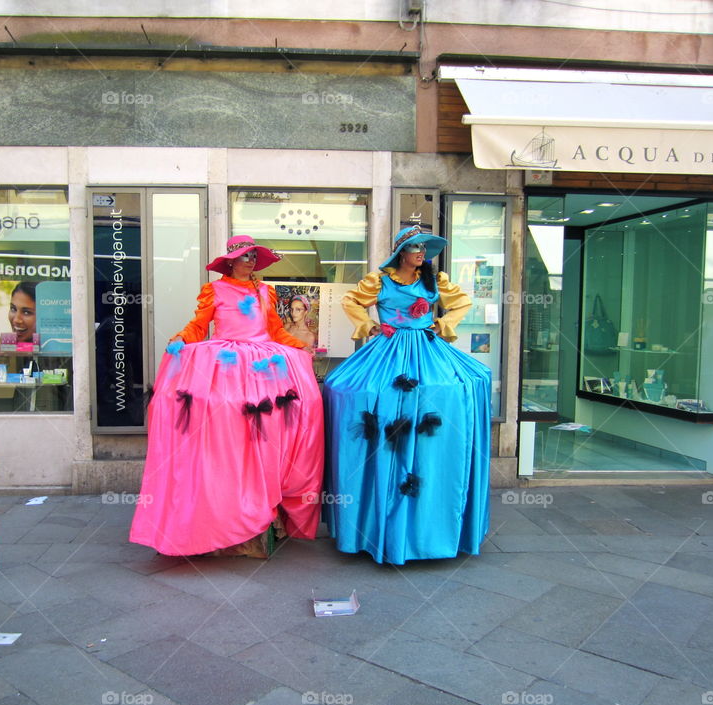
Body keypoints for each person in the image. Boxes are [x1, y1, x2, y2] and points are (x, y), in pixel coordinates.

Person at [130, 236, 323, 558]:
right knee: (225, 422)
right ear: (231, 261)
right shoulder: (215, 290)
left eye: (253, 257)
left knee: (284, 416)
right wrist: (179, 339)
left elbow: (275, 330)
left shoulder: (266, 291)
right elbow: (199, 326)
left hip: (264, 362)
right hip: (226, 362)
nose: (249, 262)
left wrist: (300, 346)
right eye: (244, 256)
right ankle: (224, 500)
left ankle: (263, 493)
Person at [322, 224, 491, 564]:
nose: (422, 253)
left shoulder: (435, 280)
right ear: (401, 251)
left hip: (427, 350)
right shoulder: (380, 280)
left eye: (425, 248)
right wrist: (370, 325)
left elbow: (461, 302)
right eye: (416, 247)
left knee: (465, 384)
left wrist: (441, 325)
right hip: (388, 349)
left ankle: (429, 515)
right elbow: (351, 300)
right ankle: (377, 505)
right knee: (355, 390)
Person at [0, 280, 37, 354]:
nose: (16, 320)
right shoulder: (8, 342)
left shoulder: (47, 344)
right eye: (13, 309)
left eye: (26, 312)